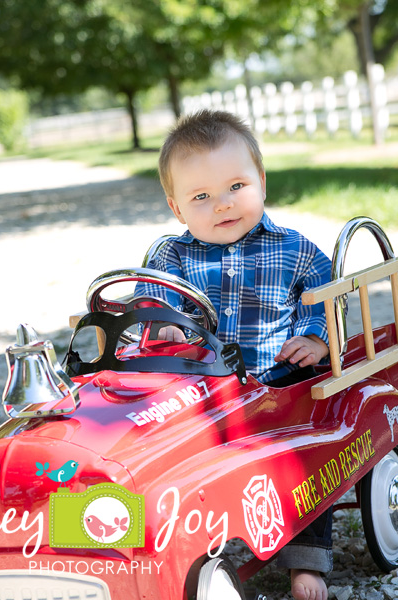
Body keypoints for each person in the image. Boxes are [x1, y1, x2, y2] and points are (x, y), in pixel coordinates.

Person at [137, 109, 334, 600]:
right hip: (201, 385)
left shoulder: (293, 249)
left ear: (261, 182)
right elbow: (150, 309)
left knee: (301, 454)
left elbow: (327, 291)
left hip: (277, 379)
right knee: (164, 447)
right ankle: (183, 541)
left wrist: (315, 337)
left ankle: (305, 560)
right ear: (177, 208)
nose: (222, 205)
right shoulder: (171, 257)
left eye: (235, 186)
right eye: (200, 197)